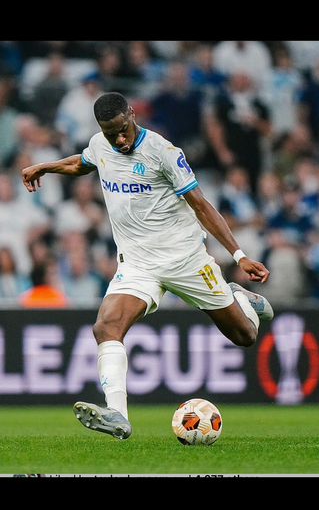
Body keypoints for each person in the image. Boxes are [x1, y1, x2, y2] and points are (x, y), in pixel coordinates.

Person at [21, 91, 274, 441]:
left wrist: (239, 256)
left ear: (132, 114)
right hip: (138, 263)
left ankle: (241, 299)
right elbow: (82, 163)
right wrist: (45, 166)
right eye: (111, 134)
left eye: (123, 130)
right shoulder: (101, 144)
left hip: (186, 260)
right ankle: (117, 414)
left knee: (245, 336)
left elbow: (201, 206)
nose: (119, 139)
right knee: (105, 326)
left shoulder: (163, 152)